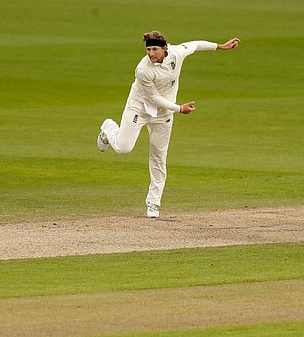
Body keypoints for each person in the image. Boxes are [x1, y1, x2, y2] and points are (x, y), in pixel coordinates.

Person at [97, 31, 240, 218]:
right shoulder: (143, 69)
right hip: (139, 109)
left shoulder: (176, 52)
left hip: (164, 114)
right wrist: (179, 108)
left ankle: (153, 203)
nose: (150, 53)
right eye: (148, 49)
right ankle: (108, 129)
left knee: (158, 157)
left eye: (154, 49)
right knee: (124, 148)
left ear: (164, 48)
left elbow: (195, 44)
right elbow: (154, 98)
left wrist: (221, 46)